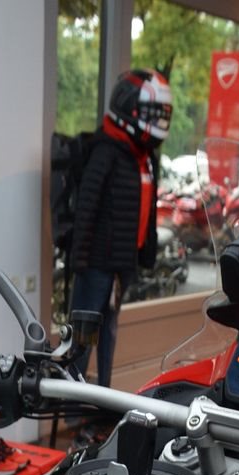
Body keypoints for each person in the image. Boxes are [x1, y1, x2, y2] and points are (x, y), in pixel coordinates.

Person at [69, 68, 173, 389]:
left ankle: (103, 393)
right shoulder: (106, 151)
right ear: (129, 108)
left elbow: (148, 211)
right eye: (151, 113)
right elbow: (87, 207)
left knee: (109, 330)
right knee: (84, 336)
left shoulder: (144, 157)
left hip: (122, 265)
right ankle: (70, 393)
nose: (157, 121)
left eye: (160, 114)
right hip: (97, 265)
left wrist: (145, 257)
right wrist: (79, 261)